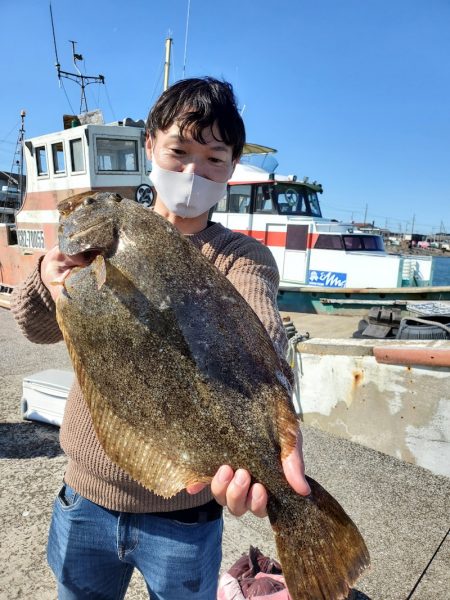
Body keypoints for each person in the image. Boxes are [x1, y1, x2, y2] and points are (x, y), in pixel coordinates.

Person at [12, 77, 310, 600]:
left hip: (185, 517)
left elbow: (259, 326)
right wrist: (47, 274)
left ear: (232, 166)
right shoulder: (95, 256)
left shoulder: (241, 258)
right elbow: (34, 328)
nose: (194, 171)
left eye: (214, 157)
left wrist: (275, 419)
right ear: (149, 145)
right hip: (85, 497)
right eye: (178, 151)